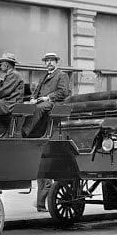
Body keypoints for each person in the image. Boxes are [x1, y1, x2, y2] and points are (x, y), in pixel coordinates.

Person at [23, 52, 70, 212]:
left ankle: (25, 132)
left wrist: (46, 98)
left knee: (38, 107)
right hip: (42, 109)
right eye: (47, 61)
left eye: (51, 61)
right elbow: (36, 93)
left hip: (53, 106)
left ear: (57, 62)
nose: (49, 63)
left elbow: (63, 93)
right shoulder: (44, 76)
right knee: (28, 107)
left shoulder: (62, 75)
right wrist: (32, 98)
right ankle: (42, 204)